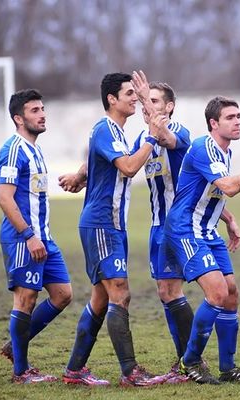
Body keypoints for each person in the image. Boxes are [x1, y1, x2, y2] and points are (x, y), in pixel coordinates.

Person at [161, 96, 240, 384]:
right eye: (231, 117)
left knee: (230, 293)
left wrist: (228, 219)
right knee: (217, 292)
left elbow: (210, 192)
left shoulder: (224, 151)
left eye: (239, 116)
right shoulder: (203, 147)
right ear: (213, 123)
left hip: (208, 231)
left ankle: (228, 368)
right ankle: (190, 361)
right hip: (185, 229)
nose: (238, 121)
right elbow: (229, 186)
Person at [58, 71, 165, 387]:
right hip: (102, 223)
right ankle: (131, 373)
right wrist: (152, 137)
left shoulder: (115, 131)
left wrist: (80, 175)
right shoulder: (105, 128)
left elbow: (101, 159)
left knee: (101, 300)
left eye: (135, 94)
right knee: (121, 292)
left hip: (112, 225)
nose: (134, 98)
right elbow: (130, 167)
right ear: (111, 99)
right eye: (129, 93)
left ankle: (75, 371)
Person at [0, 89, 73, 383]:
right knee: (26, 299)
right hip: (23, 238)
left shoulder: (36, 150)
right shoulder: (13, 150)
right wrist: (28, 235)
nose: (42, 114)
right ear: (18, 118)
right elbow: (5, 198)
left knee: (63, 294)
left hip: (44, 238)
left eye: (43, 109)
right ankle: (21, 371)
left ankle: (15, 346)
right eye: (34, 110)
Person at [130, 81, 193, 383]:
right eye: (144, 99)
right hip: (157, 226)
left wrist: (144, 100)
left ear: (169, 107)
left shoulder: (179, 131)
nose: (146, 105)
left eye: (153, 100)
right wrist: (81, 175)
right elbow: (122, 161)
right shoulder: (144, 137)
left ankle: (190, 361)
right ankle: (186, 361)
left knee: (173, 291)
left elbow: (166, 138)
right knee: (165, 292)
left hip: (178, 227)